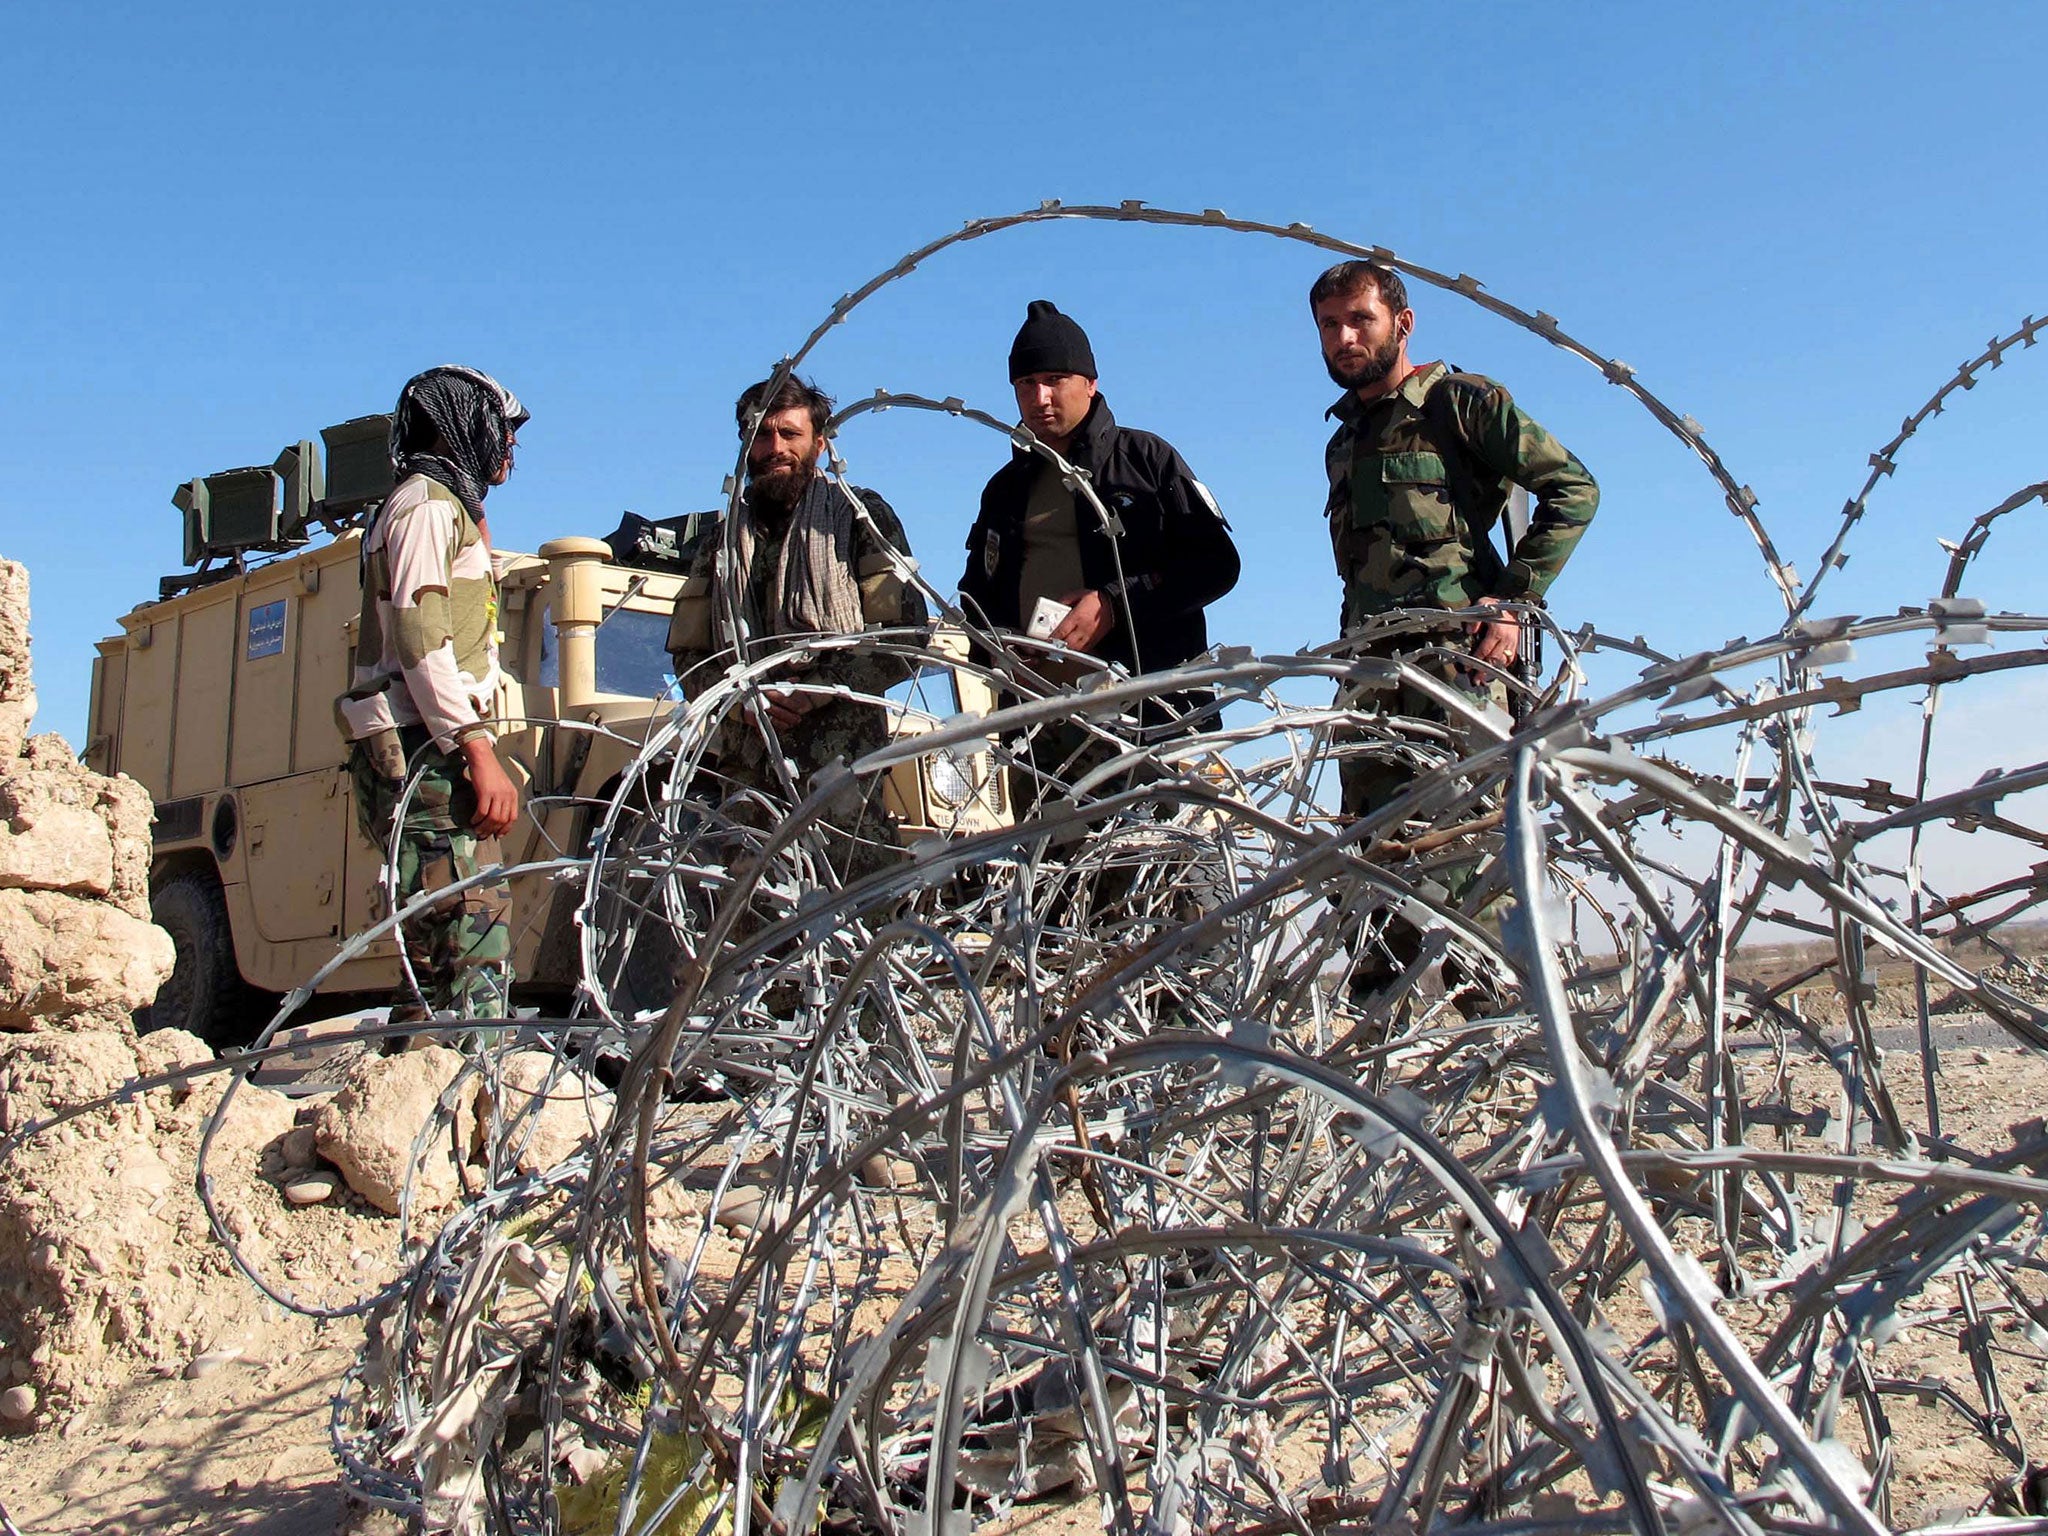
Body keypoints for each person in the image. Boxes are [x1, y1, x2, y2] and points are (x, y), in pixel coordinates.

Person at [1311, 259, 1599, 821]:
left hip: (1457, 667)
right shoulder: (1343, 440)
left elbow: (1574, 489)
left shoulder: (1460, 403)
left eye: (1359, 319)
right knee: (1373, 868)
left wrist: (1515, 600)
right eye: (1327, 324)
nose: (1343, 338)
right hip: (1368, 677)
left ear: (1403, 323)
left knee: (1465, 861)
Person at [666, 373, 926, 877]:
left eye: (790, 434)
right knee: (754, 937)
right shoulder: (722, 542)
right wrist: (740, 702)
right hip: (749, 784)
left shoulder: (856, 519)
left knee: (862, 928)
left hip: (841, 779)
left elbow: (906, 632)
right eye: (762, 435)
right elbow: (688, 652)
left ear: (819, 443)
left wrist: (821, 690)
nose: (775, 447)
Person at [336, 365, 527, 1025]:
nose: (510, 445)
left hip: (430, 750)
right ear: (460, 428)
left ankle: (420, 1106)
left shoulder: (442, 507)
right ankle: (469, 1106)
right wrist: (475, 746)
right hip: (428, 755)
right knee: (468, 957)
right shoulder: (424, 505)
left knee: (439, 966)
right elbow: (422, 638)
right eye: (500, 428)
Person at [959, 299, 1239, 742]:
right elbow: (976, 595)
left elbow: (1217, 565)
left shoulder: (1147, 461)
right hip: (1038, 727)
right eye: (1026, 383)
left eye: (1055, 380)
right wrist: (996, 646)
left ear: (1090, 383)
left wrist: (1114, 604)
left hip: (1145, 715)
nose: (1040, 398)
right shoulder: (1004, 490)